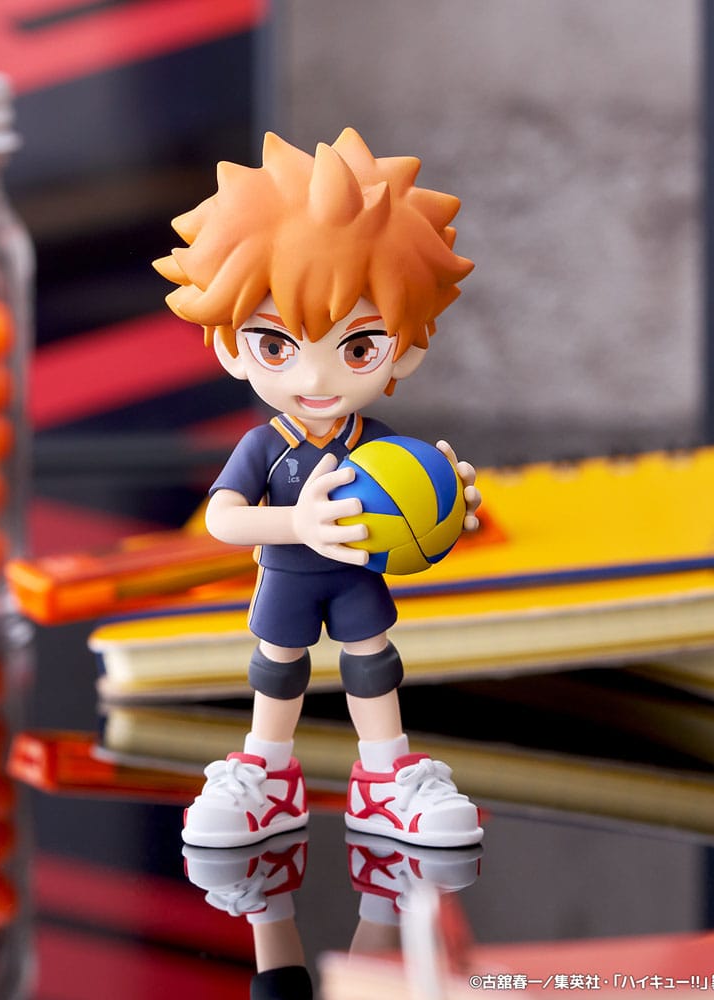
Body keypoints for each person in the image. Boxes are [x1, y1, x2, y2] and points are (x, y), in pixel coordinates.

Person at [154, 127, 483, 849]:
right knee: (277, 667)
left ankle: (386, 778)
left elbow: (414, 503)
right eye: (276, 345)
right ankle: (267, 776)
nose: (314, 378)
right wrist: (296, 526)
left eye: (358, 347)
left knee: (374, 663)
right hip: (288, 578)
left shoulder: (383, 444)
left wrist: (449, 506)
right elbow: (222, 519)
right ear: (229, 346)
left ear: (409, 345)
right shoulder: (265, 445)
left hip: (358, 574)